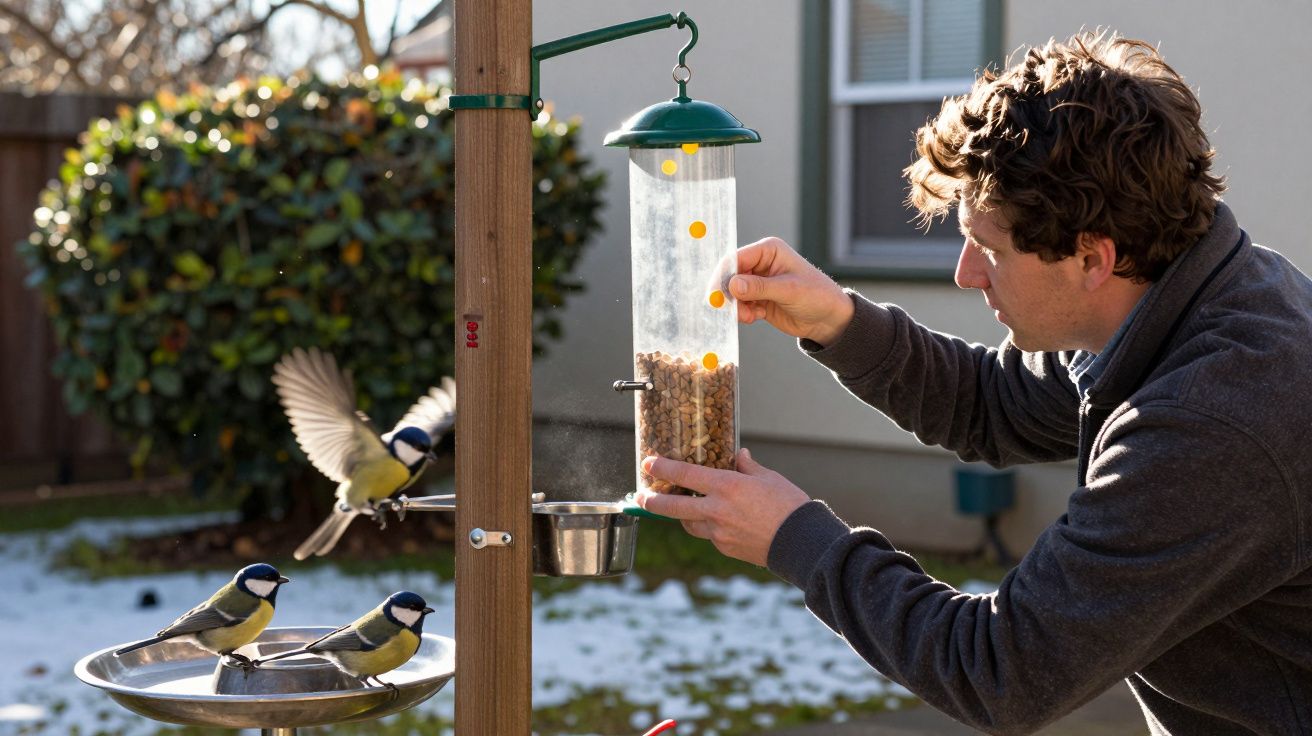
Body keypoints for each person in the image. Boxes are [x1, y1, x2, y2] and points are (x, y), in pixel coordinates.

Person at [635, 30, 1312, 735]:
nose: (965, 274)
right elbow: (996, 404)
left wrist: (794, 537)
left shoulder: (1217, 419)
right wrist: (837, 320)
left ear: (1092, 258)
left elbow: (1001, 671)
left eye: (989, 249)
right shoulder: (1188, 294)